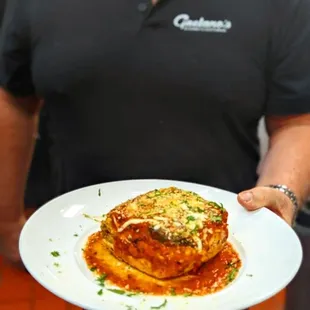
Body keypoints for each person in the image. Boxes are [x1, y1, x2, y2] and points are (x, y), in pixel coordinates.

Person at [0, 0, 310, 274]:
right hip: (80, 248)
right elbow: (13, 99)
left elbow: (296, 121)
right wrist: (7, 220)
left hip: (223, 252)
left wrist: (283, 190)